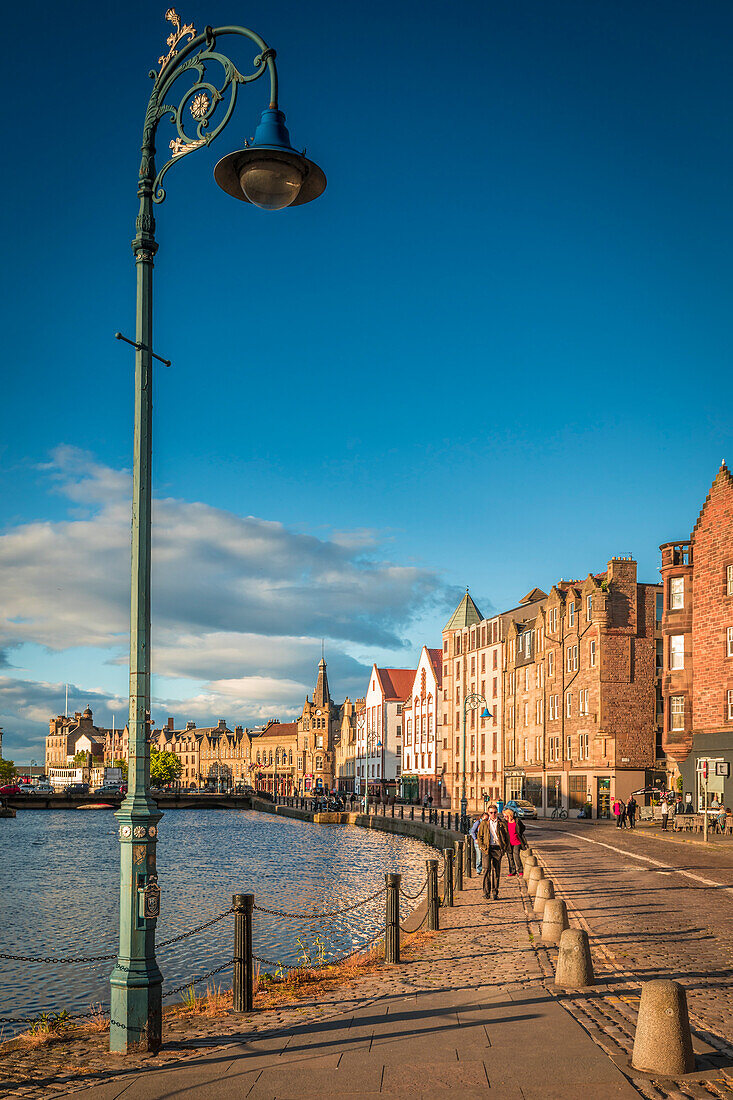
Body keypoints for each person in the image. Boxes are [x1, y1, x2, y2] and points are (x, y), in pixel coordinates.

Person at [477, 803, 509, 900]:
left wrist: (504, 848)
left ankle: (495, 892)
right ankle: (486, 892)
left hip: (497, 849)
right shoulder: (484, 823)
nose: (493, 814)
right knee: (486, 870)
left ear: (497, 812)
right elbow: (480, 836)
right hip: (487, 849)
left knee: (496, 871)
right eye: (491, 813)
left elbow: (506, 837)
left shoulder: (502, 823)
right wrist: (482, 847)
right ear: (488, 813)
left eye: (495, 812)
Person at [504, 806, 526, 876]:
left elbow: (523, 827)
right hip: (508, 842)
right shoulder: (504, 822)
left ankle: (520, 870)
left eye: (505, 816)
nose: (504, 817)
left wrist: (519, 833)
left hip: (517, 841)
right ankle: (512, 871)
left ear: (509, 815)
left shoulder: (516, 821)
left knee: (516, 856)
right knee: (510, 857)